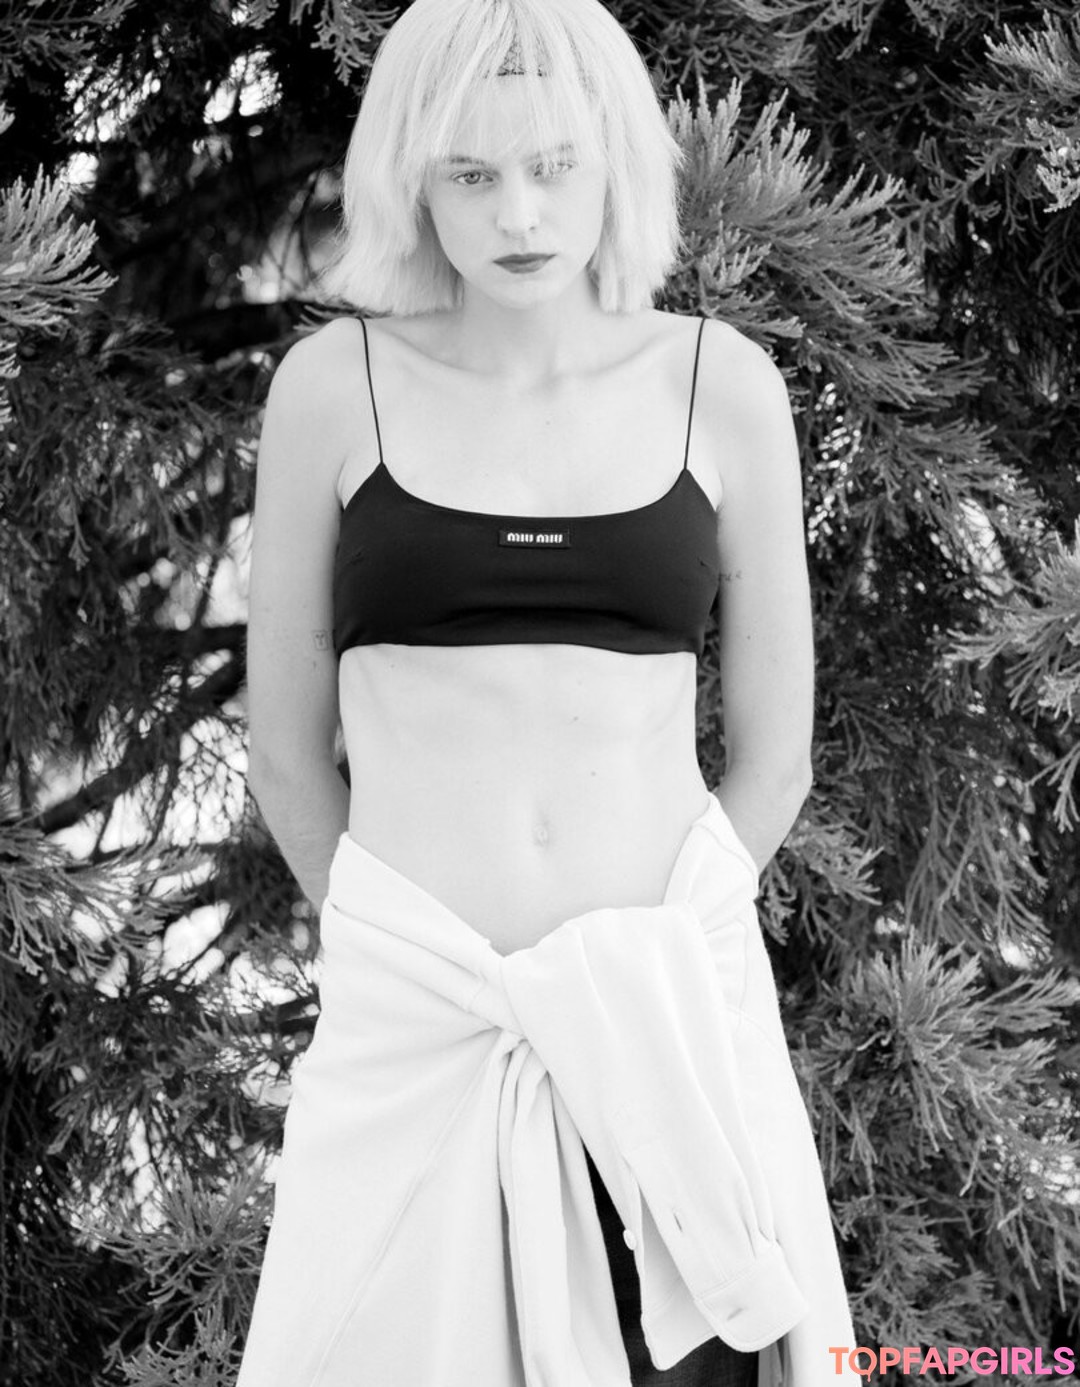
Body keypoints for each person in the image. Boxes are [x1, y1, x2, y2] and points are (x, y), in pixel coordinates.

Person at [242, 1, 857, 1384]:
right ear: (413, 179)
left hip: (665, 1032)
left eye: (553, 166)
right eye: (471, 173)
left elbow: (775, 760)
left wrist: (677, 946)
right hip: (419, 1034)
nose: (517, 212)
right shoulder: (332, 389)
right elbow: (284, 753)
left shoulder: (722, 385)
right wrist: (397, 954)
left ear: (614, 165)